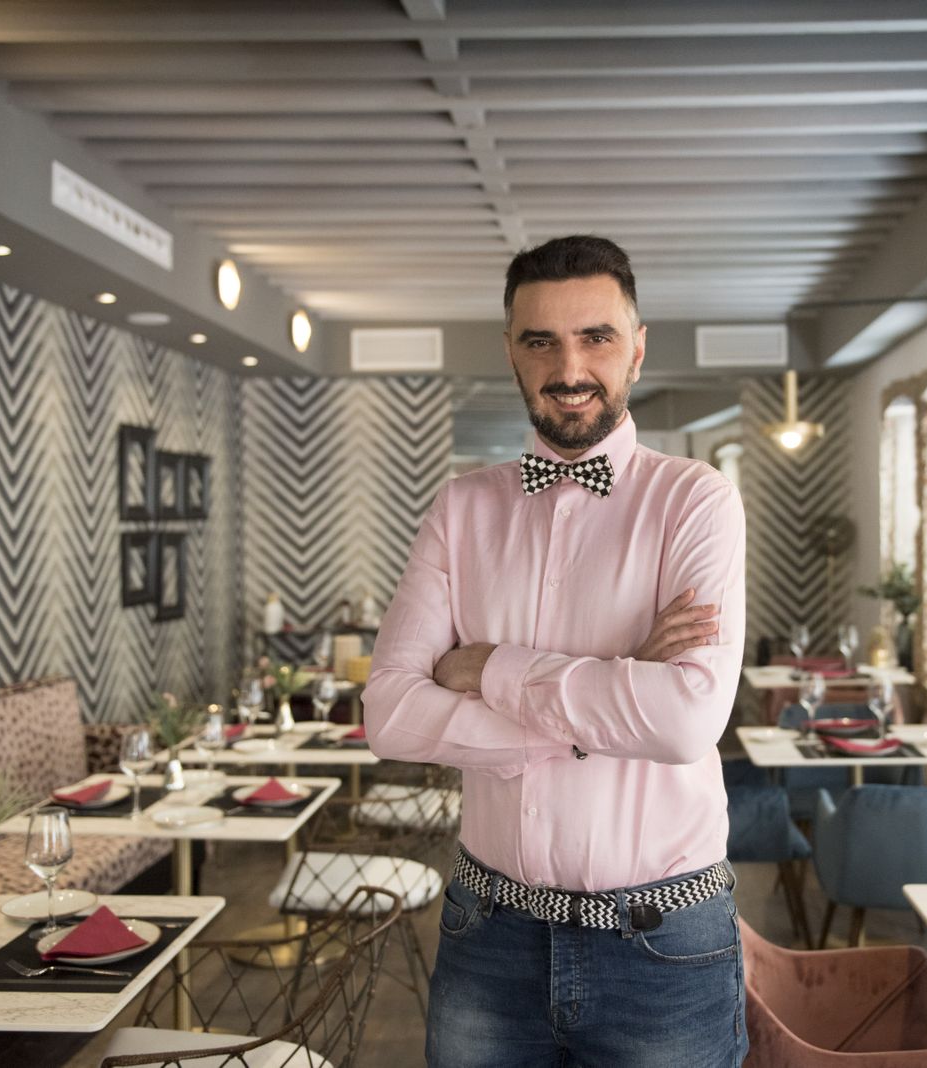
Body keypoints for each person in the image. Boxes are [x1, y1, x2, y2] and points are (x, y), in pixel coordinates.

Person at [363, 234, 747, 1067]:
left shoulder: (696, 501)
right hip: (487, 931)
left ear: (637, 349)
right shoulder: (460, 509)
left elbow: (685, 722)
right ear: (511, 353)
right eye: (541, 340)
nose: (568, 366)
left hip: (663, 942)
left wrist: (489, 667)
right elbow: (389, 713)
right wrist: (602, 704)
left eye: (596, 337)